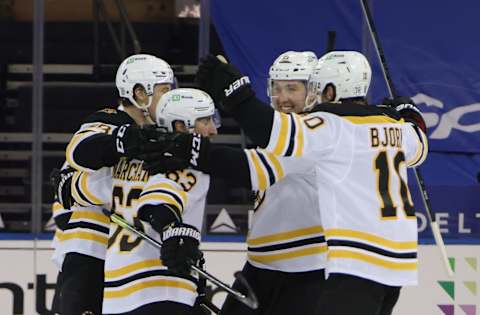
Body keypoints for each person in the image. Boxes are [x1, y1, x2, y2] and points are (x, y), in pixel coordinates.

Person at [156, 51, 428, 315]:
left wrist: (188, 146)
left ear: (318, 90)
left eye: (292, 88)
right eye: (277, 87)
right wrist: (409, 113)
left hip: (308, 269)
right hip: (264, 265)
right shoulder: (376, 126)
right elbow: (418, 142)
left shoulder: (319, 131)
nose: (283, 98)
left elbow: (253, 167)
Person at [51, 53, 175, 315]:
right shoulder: (108, 120)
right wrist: (126, 140)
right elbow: (80, 151)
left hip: (137, 260)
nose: (170, 98)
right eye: (165, 90)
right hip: (91, 254)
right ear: (141, 94)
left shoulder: (167, 135)